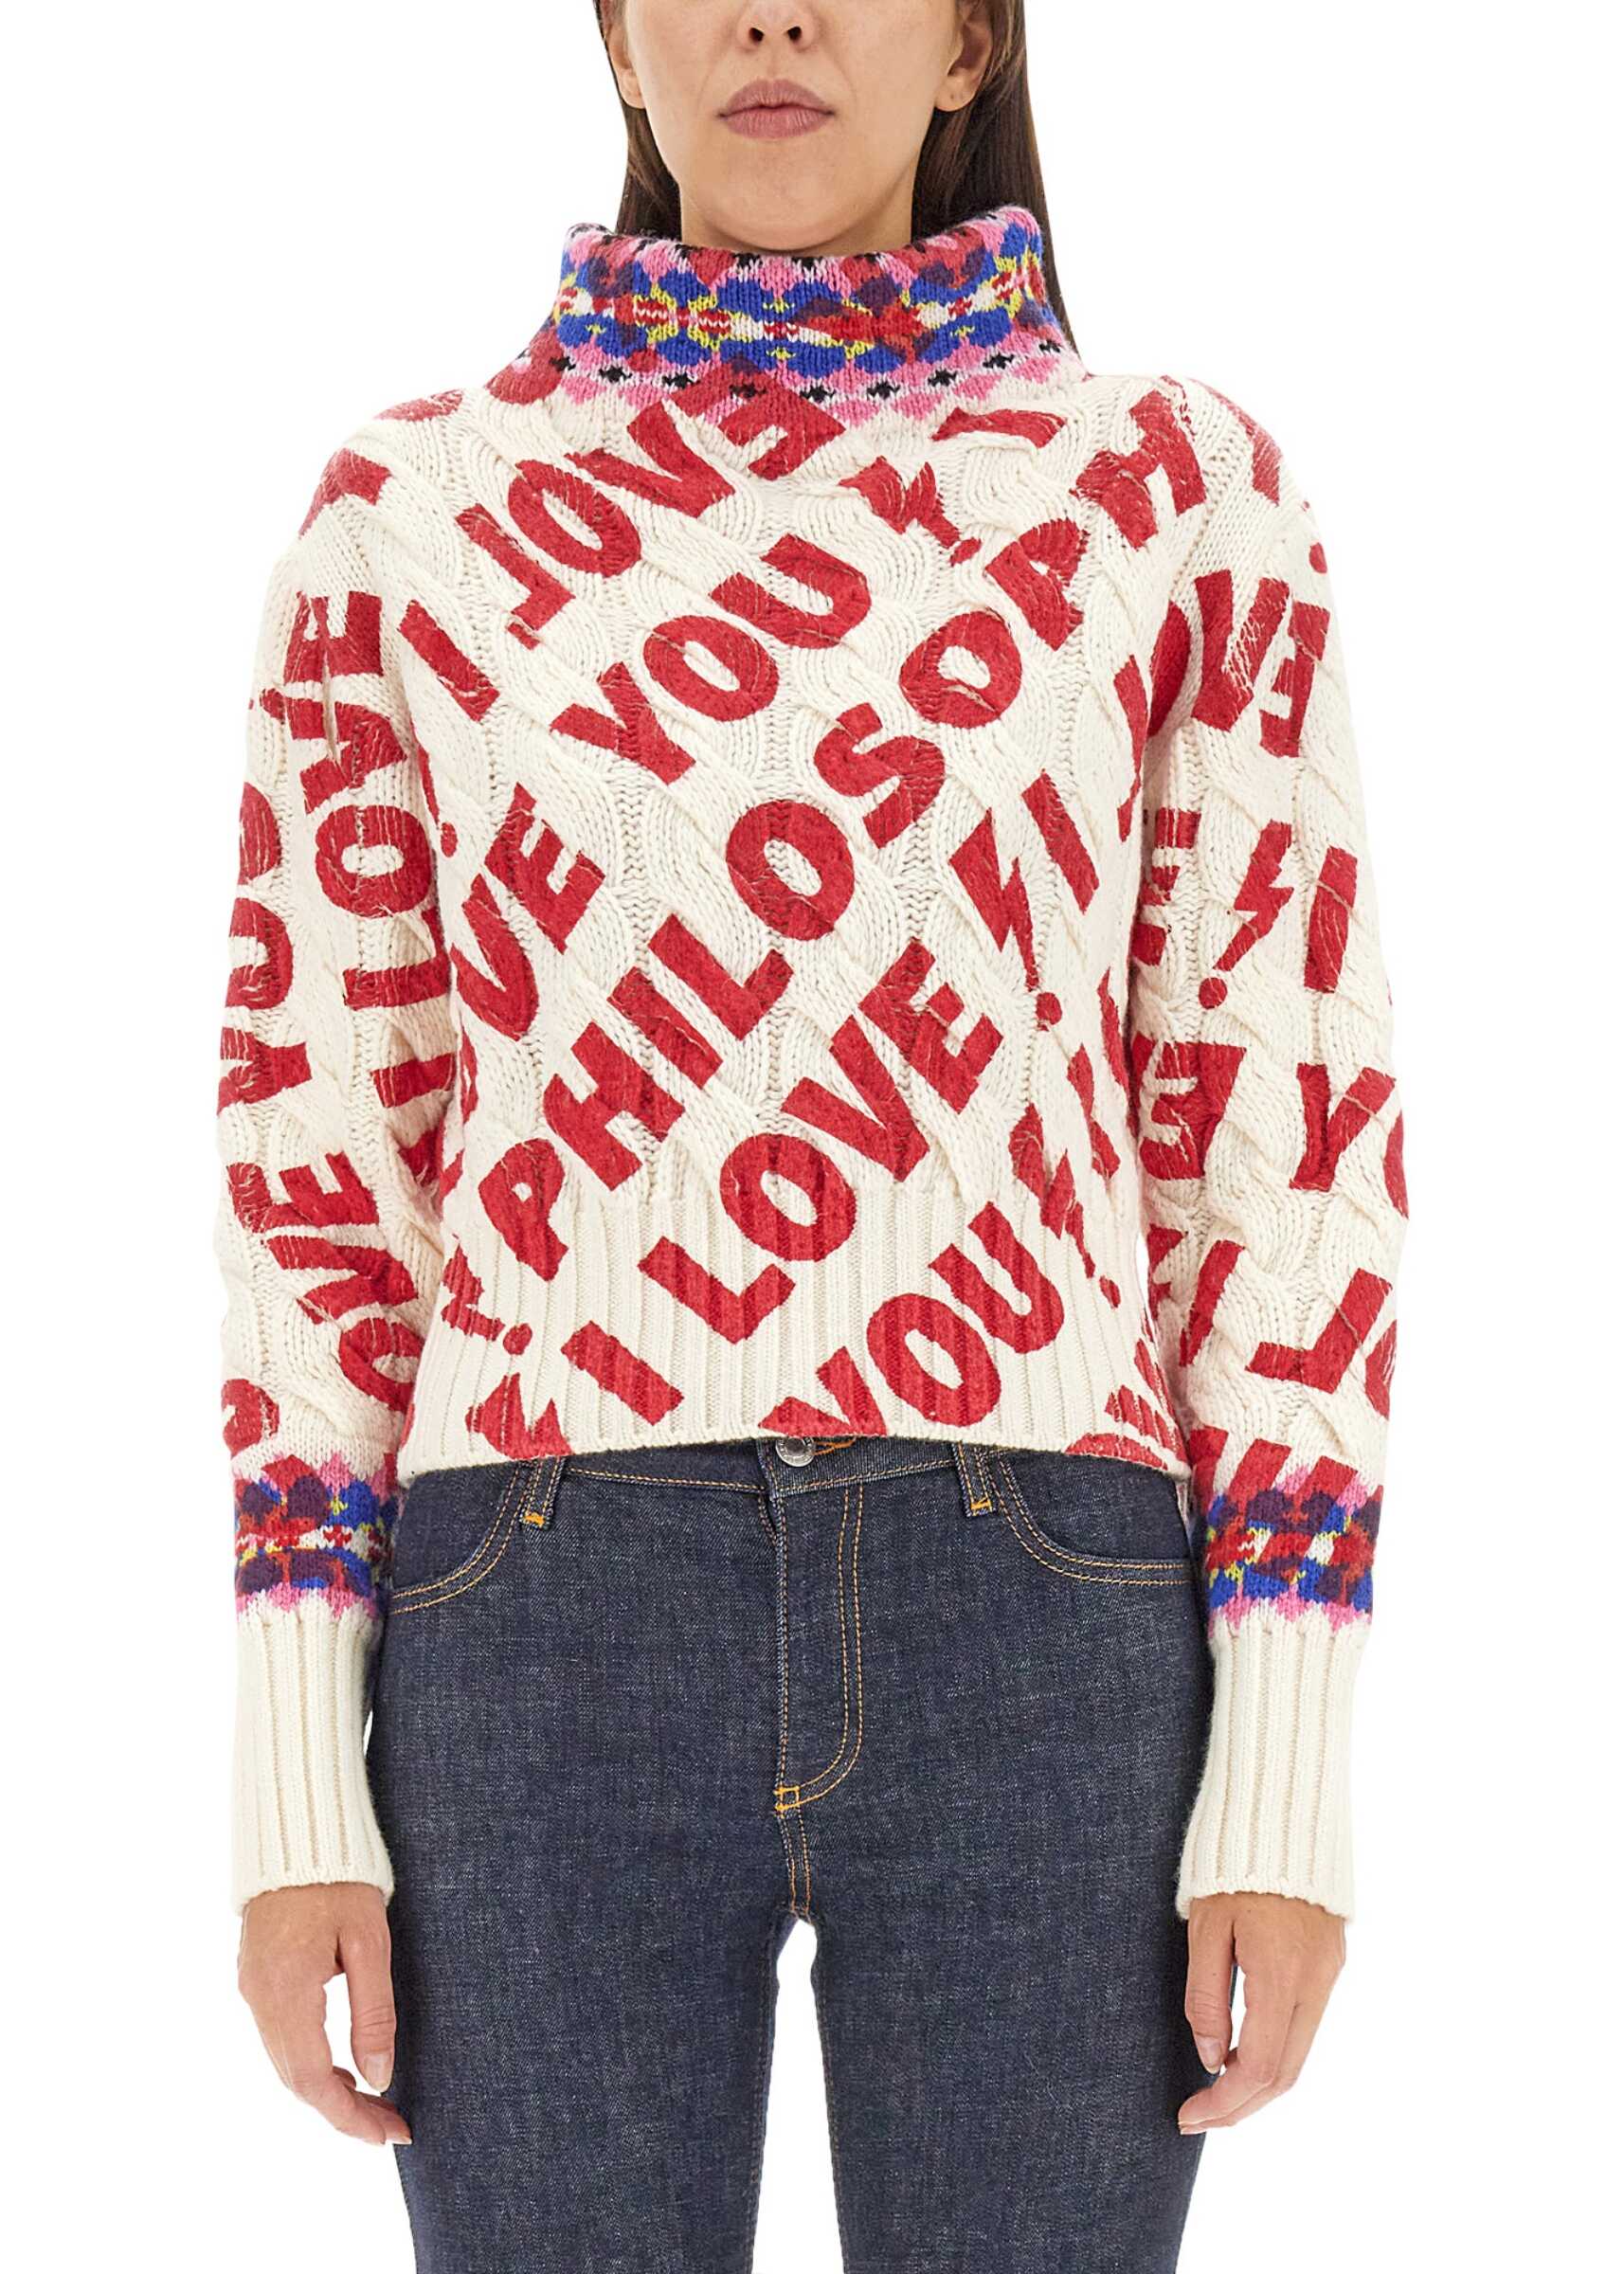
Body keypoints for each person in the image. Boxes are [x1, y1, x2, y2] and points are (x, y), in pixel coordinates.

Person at [216, 2, 1408, 2265]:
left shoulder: (1168, 489)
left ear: (966, 39)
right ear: (614, 35)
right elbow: (320, 1139)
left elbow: (1278, 1123)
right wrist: (296, 1791)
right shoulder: (409, 512)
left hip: (1039, 1599)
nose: (772, 13)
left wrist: (1283, 1767)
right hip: (532, 1606)